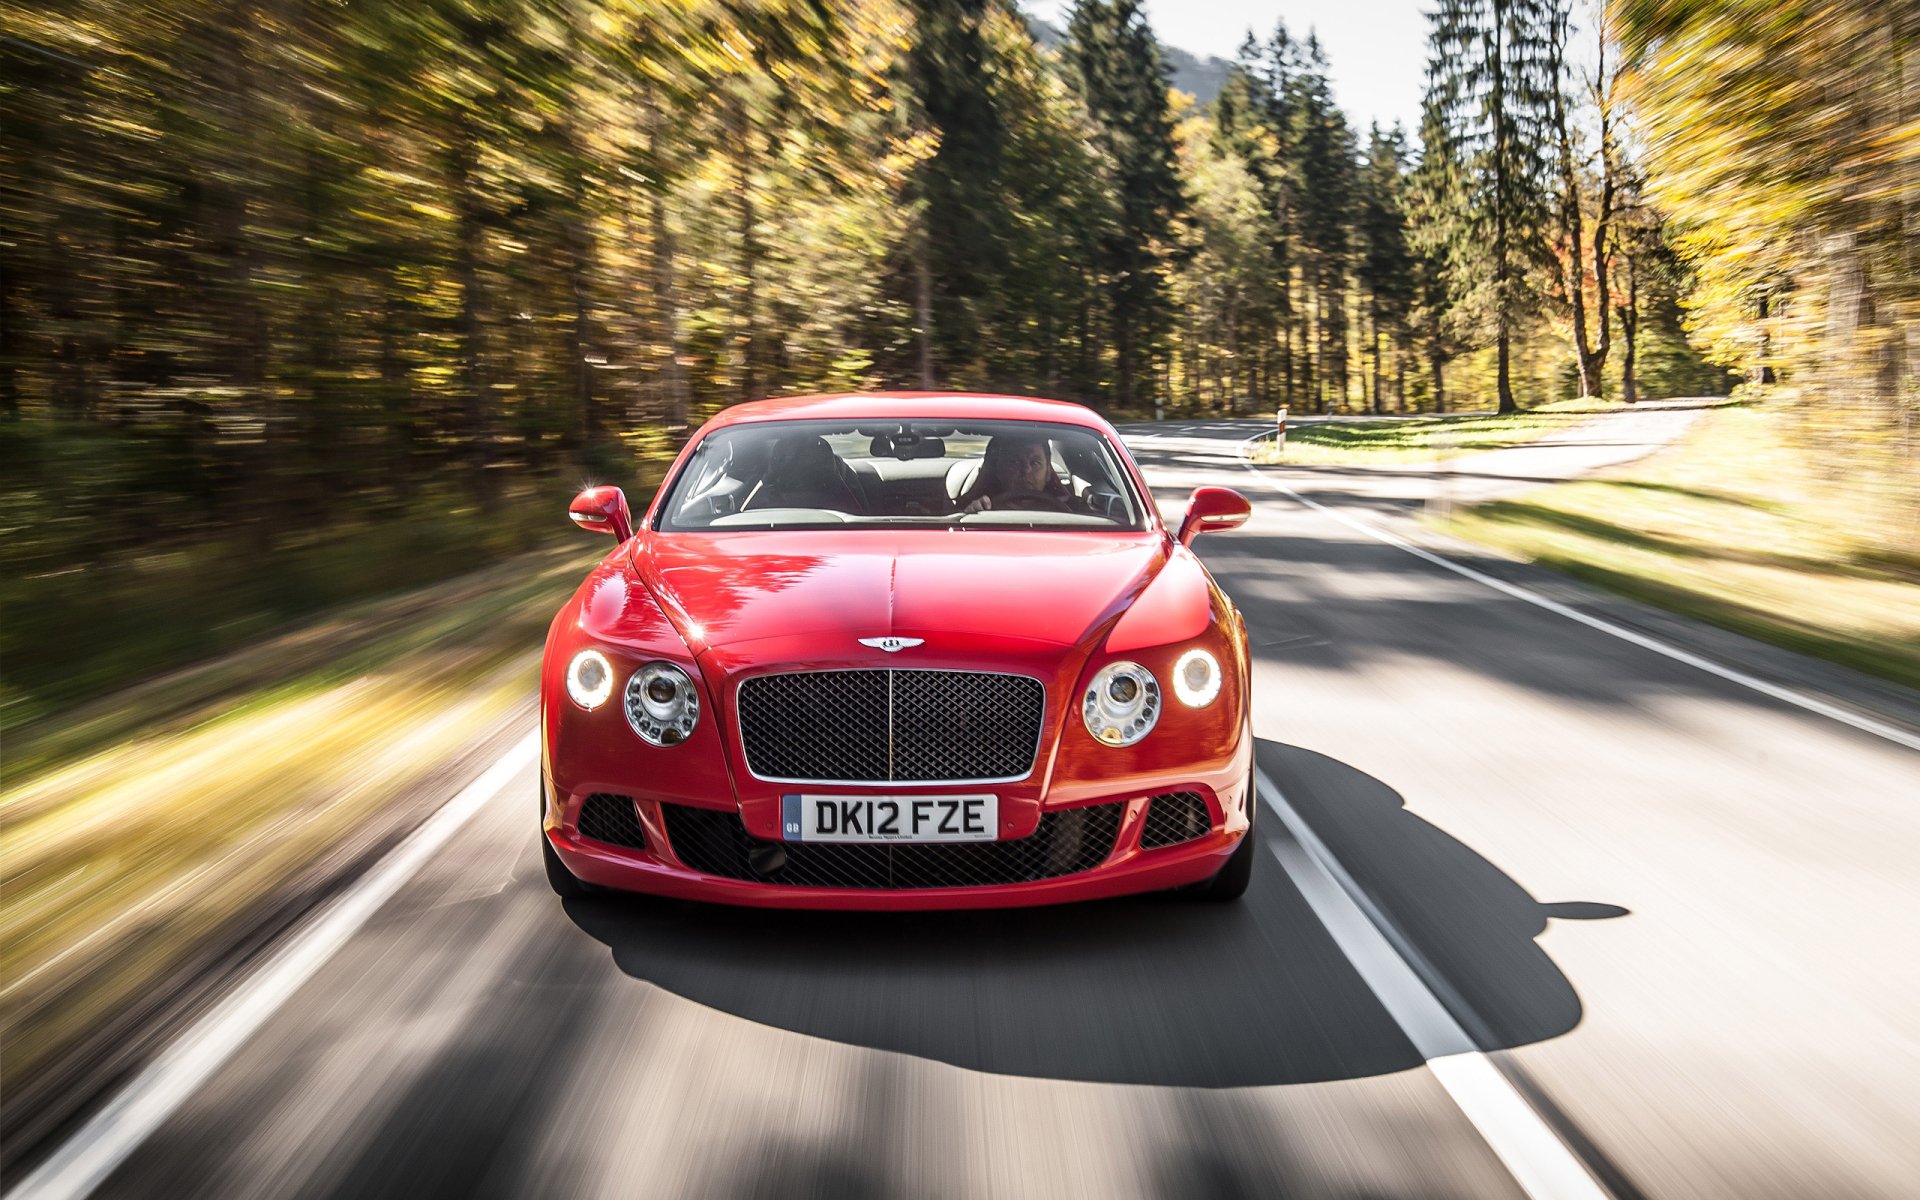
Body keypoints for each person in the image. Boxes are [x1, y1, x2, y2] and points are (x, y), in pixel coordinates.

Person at [955, 433, 1079, 513]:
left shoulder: (1073, 513)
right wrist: (971, 515)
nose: (1026, 470)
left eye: (1035, 463)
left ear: (1048, 473)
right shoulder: (981, 509)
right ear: (999, 470)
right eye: (1014, 462)